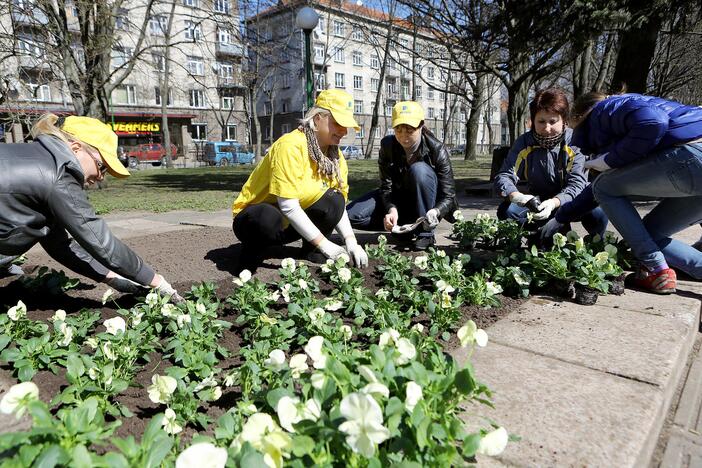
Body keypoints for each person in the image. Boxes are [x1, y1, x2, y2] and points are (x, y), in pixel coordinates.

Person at [0, 114, 183, 301]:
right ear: (76, 148)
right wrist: (156, 281)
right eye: (101, 166)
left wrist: (110, 277)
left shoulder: (39, 159)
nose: (101, 177)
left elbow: (58, 244)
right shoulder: (59, 174)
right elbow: (100, 241)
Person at [571, 92, 702, 294]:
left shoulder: (607, 108)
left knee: (604, 188)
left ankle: (657, 270)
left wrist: (606, 161)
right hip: (694, 161)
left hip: (694, 154)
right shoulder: (627, 115)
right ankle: (671, 272)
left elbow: (653, 122)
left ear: (580, 115)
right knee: (649, 234)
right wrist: (560, 217)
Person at [232, 89, 368, 268]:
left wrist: (351, 242)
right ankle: (251, 255)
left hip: (291, 225)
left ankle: (312, 250)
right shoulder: (290, 146)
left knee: (335, 199)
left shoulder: (335, 157)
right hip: (255, 221)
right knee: (267, 216)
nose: (343, 131)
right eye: (338, 123)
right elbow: (288, 205)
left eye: (346, 126)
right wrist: (326, 244)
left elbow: (339, 205)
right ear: (318, 118)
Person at [494, 88, 608, 242]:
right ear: (533, 121)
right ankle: (535, 235)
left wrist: (554, 203)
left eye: (553, 121)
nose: (546, 128)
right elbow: (505, 176)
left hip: (571, 202)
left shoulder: (575, 142)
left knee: (597, 210)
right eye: (541, 121)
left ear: (564, 121)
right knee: (507, 210)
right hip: (536, 202)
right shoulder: (523, 143)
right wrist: (517, 196)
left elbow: (577, 185)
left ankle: (596, 242)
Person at [346, 101, 457, 250]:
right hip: (399, 198)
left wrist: (436, 211)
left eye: (409, 130)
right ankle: (404, 226)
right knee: (350, 216)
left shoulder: (436, 150)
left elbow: (448, 196)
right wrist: (391, 209)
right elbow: (386, 187)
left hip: (427, 203)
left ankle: (425, 234)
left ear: (421, 126)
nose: (403, 137)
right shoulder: (387, 146)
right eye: (398, 130)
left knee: (419, 171)